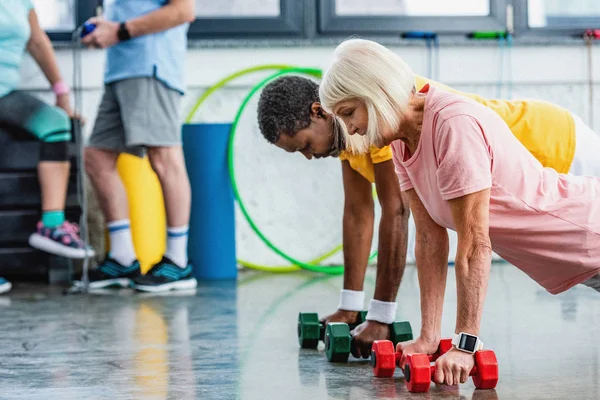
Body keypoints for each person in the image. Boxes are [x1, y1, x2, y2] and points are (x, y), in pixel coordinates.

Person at [318, 38, 600, 385]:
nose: (352, 129)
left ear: (377, 91)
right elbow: (429, 238)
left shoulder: (452, 123)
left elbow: (475, 244)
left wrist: (465, 345)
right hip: (576, 256)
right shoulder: (401, 143)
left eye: (349, 113)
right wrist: (429, 337)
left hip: (589, 231)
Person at [256, 74, 600, 358]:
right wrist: (350, 306)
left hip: (556, 148)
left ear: (319, 113)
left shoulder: (378, 119)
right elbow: (359, 213)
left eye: (303, 145)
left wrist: (380, 317)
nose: (306, 156)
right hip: (516, 183)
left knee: (586, 253)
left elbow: (397, 212)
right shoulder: (349, 132)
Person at [80, 0, 197, 292]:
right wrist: (104, 31)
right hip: (121, 70)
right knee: (97, 157)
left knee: (163, 156)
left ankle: (178, 262)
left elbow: (183, 11)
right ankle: (122, 257)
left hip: (150, 68)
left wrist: (118, 31)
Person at [0, 0, 94, 294]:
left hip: (5, 93)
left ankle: (52, 225)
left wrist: (62, 95)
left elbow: (37, 41)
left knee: (55, 123)